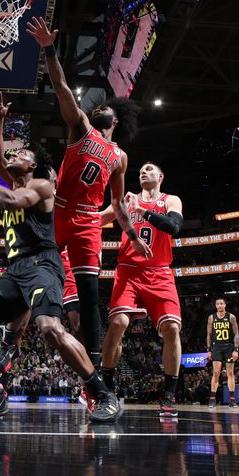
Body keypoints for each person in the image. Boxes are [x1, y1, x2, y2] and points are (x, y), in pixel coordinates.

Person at [0, 105, 120, 422]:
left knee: (49, 328)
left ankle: (103, 393)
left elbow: (12, 201)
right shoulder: (10, 189)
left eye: (21, 155)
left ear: (34, 165)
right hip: (15, 270)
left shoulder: (41, 187)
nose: (13, 157)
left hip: (44, 265)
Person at [27, 17, 151, 385]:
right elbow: (62, 86)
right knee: (31, 270)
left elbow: (119, 203)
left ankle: (95, 373)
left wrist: (133, 235)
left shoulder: (120, 157)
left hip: (86, 222)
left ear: (116, 118)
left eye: (104, 109)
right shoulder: (79, 126)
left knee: (90, 297)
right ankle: (12, 334)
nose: (98, 110)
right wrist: (49, 49)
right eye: (95, 108)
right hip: (57, 212)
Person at [99, 162, 184, 417]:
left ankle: (169, 394)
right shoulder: (126, 198)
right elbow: (100, 219)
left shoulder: (171, 200)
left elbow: (174, 228)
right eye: (140, 171)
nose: (143, 172)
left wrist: (143, 212)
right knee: (118, 323)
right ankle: (107, 386)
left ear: (160, 176)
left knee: (171, 328)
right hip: (128, 271)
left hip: (159, 272)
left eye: (149, 169)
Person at [207, 298, 239, 408]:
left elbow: (236, 334)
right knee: (216, 373)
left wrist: (236, 349)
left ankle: (232, 399)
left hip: (229, 348)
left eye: (221, 303)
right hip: (216, 348)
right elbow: (209, 335)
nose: (220, 305)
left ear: (225, 305)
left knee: (230, 373)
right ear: (216, 306)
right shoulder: (212, 317)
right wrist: (208, 349)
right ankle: (212, 399)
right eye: (218, 304)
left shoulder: (231, 317)